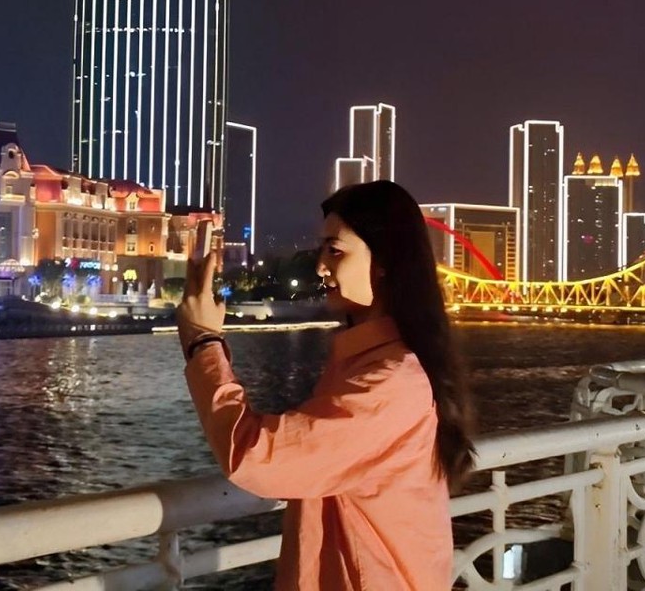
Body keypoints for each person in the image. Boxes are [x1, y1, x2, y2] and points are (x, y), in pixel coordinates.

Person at [177, 180, 475, 591]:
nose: (320, 266)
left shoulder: (390, 382)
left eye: (335, 251)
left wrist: (203, 343)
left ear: (384, 260)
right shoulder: (372, 363)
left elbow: (257, 457)